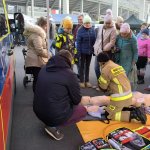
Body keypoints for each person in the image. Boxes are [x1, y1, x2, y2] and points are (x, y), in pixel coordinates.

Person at [33, 50, 87, 141]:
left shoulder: (43, 68)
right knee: (82, 110)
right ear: (69, 60)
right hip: (53, 115)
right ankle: (52, 125)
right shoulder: (69, 74)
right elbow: (77, 100)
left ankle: (50, 121)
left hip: (37, 111)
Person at [95, 52, 146, 124]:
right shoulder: (116, 65)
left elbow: (103, 87)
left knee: (109, 115)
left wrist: (99, 82)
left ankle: (133, 114)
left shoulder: (105, 70)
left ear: (100, 62)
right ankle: (132, 110)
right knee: (114, 108)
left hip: (120, 98)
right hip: (128, 95)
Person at [24, 17, 50, 92]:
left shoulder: (37, 34)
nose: (47, 28)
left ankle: (38, 97)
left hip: (35, 60)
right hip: (36, 61)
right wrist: (49, 54)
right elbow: (39, 50)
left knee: (37, 79)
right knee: (38, 80)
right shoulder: (37, 35)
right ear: (43, 25)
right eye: (46, 26)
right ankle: (37, 98)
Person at [93, 9, 116, 89]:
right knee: (96, 68)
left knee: (105, 70)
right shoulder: (100, 27)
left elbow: (112, 42)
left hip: (106, 52)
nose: (107, 24)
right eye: (106, 23)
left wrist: (104, 49)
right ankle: (100, 83)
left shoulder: (113, 29)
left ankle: (104, 86)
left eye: (109, 23)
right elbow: (98, 38)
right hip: (98, 51)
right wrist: (95, 47)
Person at [76, 15, 96, 88]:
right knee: (81, 66)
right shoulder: (80, 30)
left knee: (87, 66)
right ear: (84, 23)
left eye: (88, 23)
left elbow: (94, 41)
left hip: (89, 52)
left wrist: (94, 50)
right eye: (86, 23)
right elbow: (78, 43)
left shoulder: (92, 30)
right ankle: (81, 81)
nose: (87, 24)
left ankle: (87, 81)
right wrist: (78, 53)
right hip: (82, 52)